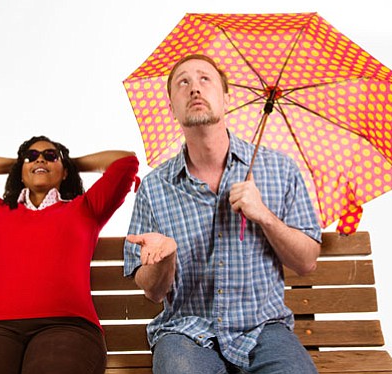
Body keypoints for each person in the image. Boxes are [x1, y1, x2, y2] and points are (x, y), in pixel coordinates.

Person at [124, 54, 322, 374]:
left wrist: (264, 216)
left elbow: (306, 261)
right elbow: (152, 290)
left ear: (226, 98)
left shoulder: (279, 169)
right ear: (172, 107)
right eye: (183, 82)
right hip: (185, 332)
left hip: (264, 329)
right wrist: (165, 259)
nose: (195, 89)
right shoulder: (154, 187)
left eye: (205, 79)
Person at [0, 135, 138, 374]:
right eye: (31, 156)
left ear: (65, 171)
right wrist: (18, 163)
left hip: (68, 327)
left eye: (50, 156)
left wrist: (68, 161)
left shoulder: (86, 208)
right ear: (20, 170)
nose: (40, 160)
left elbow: (125, 161)